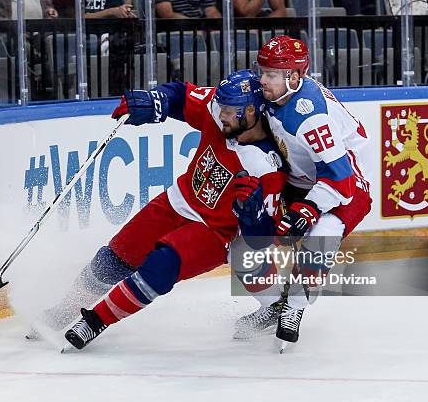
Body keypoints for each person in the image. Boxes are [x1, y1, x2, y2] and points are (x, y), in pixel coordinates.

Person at [43, 70, 289, 350]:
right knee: (116, 257)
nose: (221, 114)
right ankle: (65, 308)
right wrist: (154, 100)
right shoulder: (220, 108)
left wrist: (251, 214)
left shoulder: (267, 167)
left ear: (251, 110)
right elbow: (181, 96)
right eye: (221, 107)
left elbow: (262, 239)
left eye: (230, 111)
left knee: (162, 265)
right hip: (178, 200)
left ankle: (95, 321)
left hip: (216, 232)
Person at [231, 36, 372, 343]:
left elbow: (341, 178)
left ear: (294, 77)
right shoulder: (272, 95)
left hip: (345, 182)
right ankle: (273, 306)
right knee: (243, 238)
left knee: (324, 232)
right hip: (300, 176)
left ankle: (294, 307)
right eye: (262, 70)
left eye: (271, 74)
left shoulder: (311, 116)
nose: (262, 79)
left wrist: (308, 209)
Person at [52, 0, 135, 19]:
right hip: (79, 40)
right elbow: (76, 18)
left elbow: (118, 10)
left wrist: (126, 13)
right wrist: (111, 11)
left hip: (107, 40)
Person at [155, 0, 222, 18]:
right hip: (175, 31)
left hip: (200, 30)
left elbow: (211, 10)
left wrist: (220, 30)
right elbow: (167, 14)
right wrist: (195, 28)